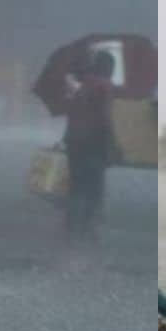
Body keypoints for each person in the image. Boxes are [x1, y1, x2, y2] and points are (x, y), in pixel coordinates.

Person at [62, 50, 119, 241]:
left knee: (76, 185)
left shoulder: (81, 85)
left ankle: (70, 227)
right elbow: (105, 118)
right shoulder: (105, 86)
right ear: (108, 68)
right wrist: (114, 144)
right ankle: (88, 228)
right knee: (94, 187)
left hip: (73, 140)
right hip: (93, 141)